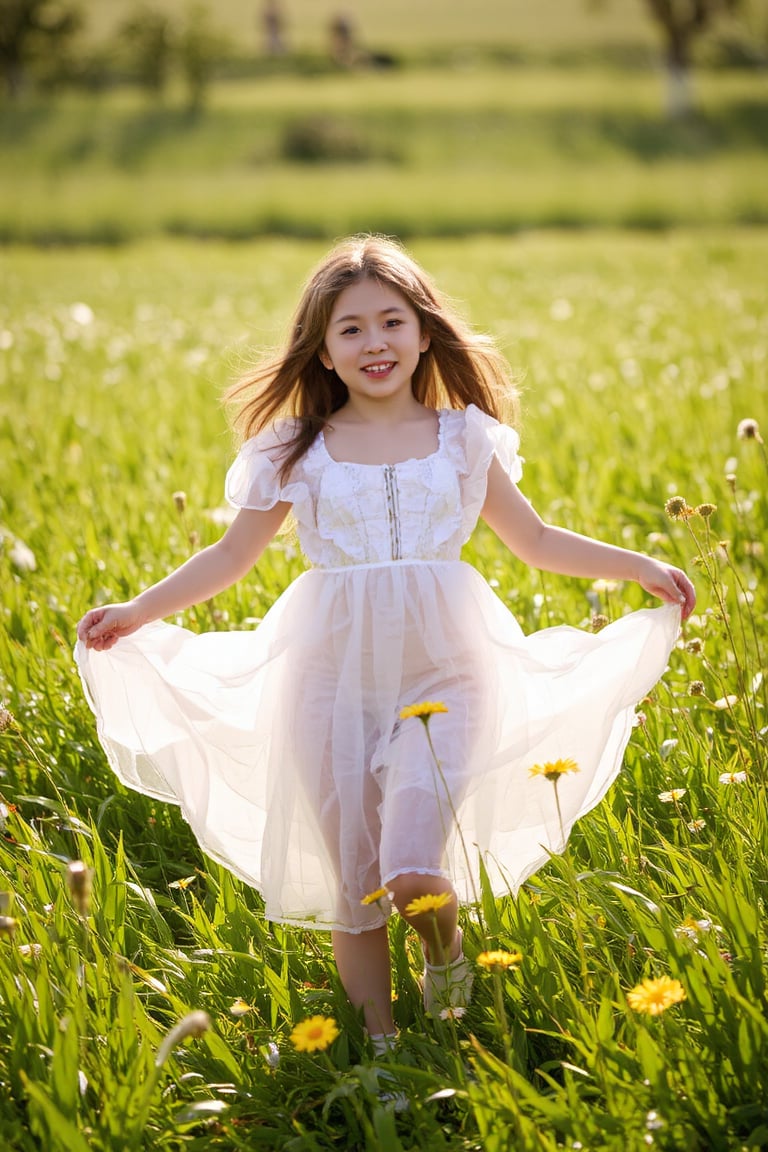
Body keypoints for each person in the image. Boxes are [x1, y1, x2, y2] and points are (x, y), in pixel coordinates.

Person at [76, 235, 695, 1054]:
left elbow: (537, 540)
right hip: (327, 679)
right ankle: (382, 1047)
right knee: (356, 886)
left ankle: (446, 950)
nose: (375, 344)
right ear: (324, 352)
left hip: (448, 673)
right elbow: (231, 557)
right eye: (352, 330)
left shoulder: (463, 439)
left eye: (391, 322)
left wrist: (640, 565)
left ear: (424, 333)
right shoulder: (295, 450)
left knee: (410, 873)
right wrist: (139, 610)